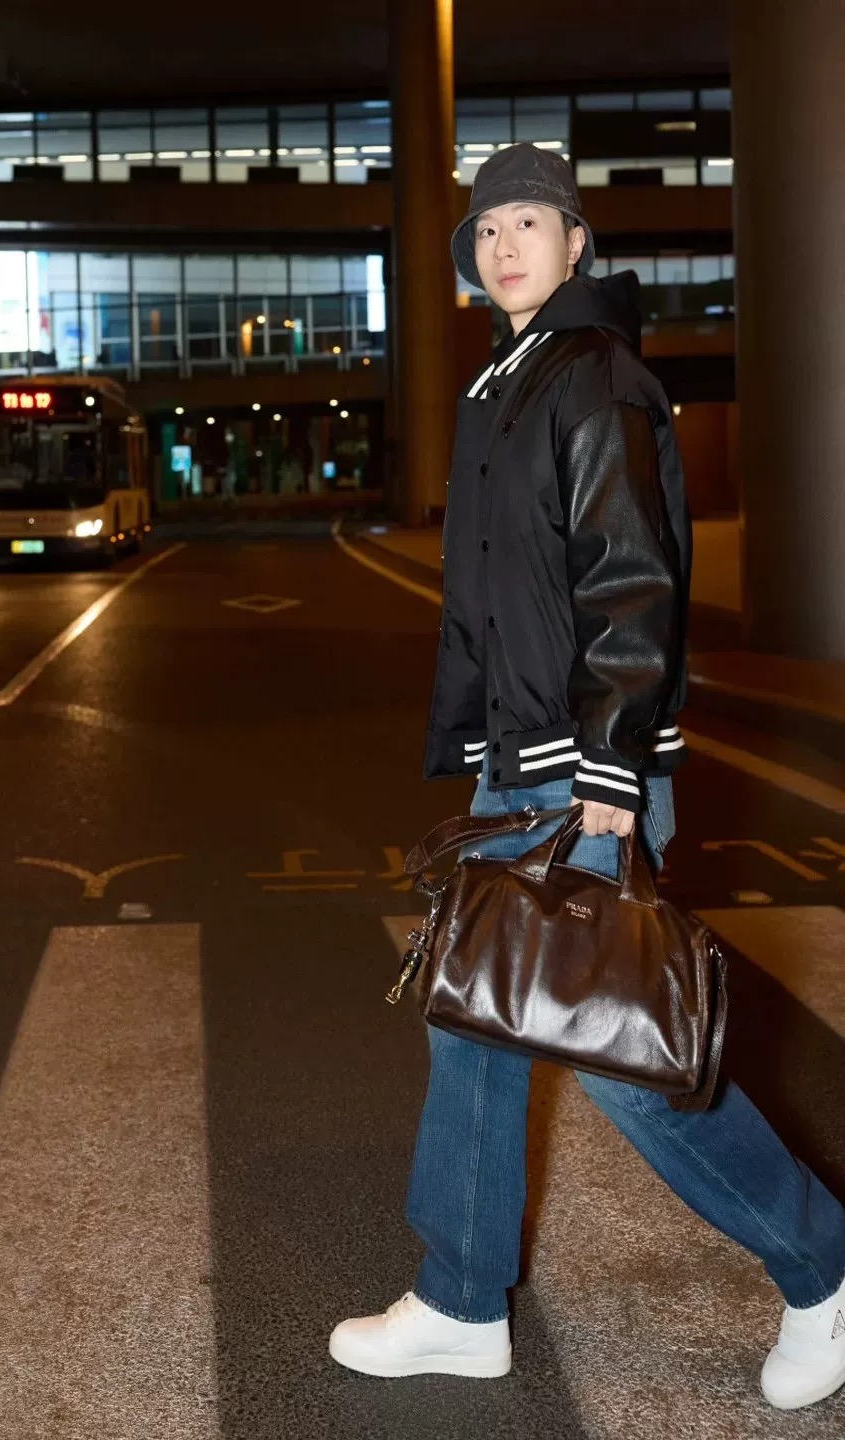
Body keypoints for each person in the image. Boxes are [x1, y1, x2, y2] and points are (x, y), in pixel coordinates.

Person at [328, 144, 845, 1412]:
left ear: (575, 243)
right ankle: (462, 1304)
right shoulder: (510, 382)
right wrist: (483, 743)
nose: (503, 244)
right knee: (476, 1021)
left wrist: (610, 763)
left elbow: (630, 579)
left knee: (626, 1059)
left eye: (529, 221)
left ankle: (826, 1268)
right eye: (486, 227)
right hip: (524, 762)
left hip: (581, 769)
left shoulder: (595, 377)